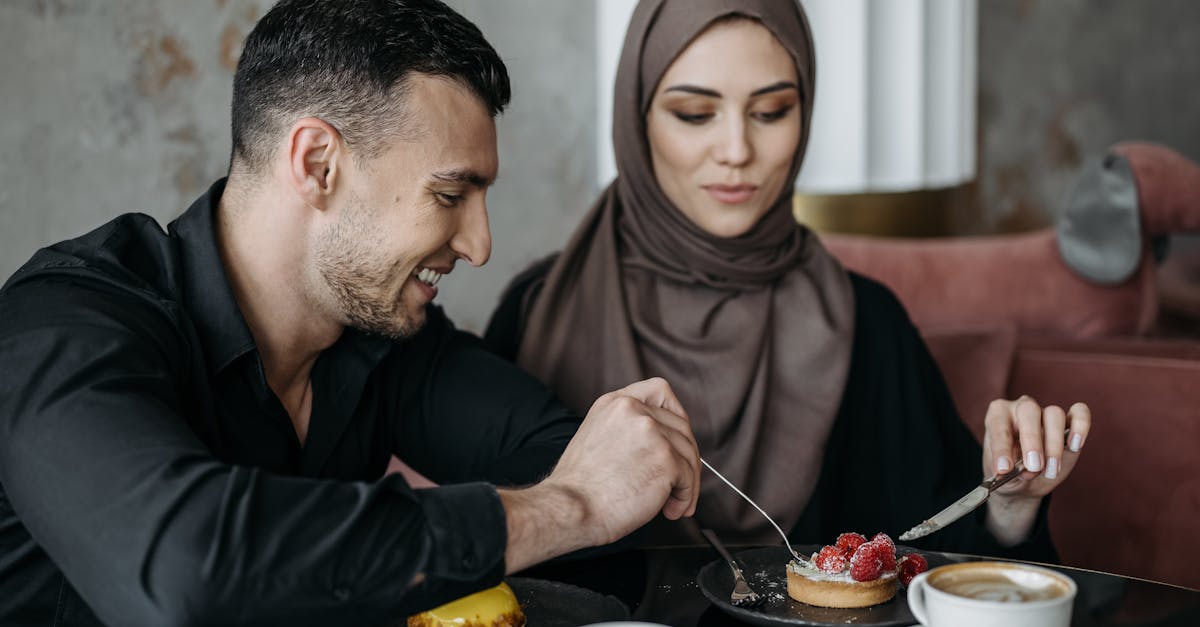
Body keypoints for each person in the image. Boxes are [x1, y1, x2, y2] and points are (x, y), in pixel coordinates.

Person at [0, 1, 702, 625]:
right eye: (452, 194)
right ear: (317, 164)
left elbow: (565, 459)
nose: (480, 245)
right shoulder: (61, 327)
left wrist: (602, 478)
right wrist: (566, 508)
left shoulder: (380, 330)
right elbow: (189, 570)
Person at [486, 0, 1090, 558]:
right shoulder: (538, 312)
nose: (736, 149)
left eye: (772, 111)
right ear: (636, 117)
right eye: (694, 114)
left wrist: (1010, 504)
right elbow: (477, 554)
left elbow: (952, 566)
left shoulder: (868, 324)